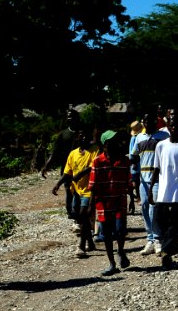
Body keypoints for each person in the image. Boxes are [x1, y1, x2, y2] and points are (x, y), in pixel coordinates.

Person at [148, 121, 178, 268]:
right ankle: (169, 246)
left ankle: (166, 253)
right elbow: (156, 169)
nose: (174, 128)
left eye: (176, 126)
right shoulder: (161, 145)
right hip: (163, 191)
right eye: (171, 126)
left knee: (174, 223)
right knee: (159, 220)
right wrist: (150, 190)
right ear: (168, 128)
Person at [88, 130, 134, 276]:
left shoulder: (124, 160)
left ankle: (120, 250)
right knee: (107, 234)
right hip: (103, 202)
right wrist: (90, 206)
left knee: (121, 230)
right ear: (105, 144)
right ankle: (112, 263)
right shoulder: (97, 161)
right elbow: (93, 185)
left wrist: (132, 199)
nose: (116, 143)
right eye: (112, 141)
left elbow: (129, 182)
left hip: (120, 199)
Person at [52, 128, 98, 257]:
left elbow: (93, 167)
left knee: (84, 215)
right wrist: (58, 184)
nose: (83, 138)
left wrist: (81, 173)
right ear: (77, 138)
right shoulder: (73, 154)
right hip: (76, 190)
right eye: (80, 135)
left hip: (89, 190)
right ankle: (90, 242)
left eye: (85, 135)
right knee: (79, 216)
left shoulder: (94, 151)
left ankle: (81, 246)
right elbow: (68, 172)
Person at [132, 115, 168, 255]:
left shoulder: (163, 136)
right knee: (145, 208)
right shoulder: (139, 137)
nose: (148, 122)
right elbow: (134, 156)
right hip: (143, 180)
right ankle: (150, 239)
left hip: (158, 178)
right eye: (145, 120)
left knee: (154, 208)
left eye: (150, 120)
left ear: (155, 122)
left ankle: (158, 238)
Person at [41, 107, 81, 220]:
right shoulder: (63, 134)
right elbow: (54, 152)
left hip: (82, 166)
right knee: (68, 189)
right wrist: (46, 166)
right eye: (68, 117)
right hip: (67, 167)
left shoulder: (82, 133)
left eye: (72, 117)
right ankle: (71, 212)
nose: (70, 119)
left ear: (77, 119)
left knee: (80, 190)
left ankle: (79, 212)